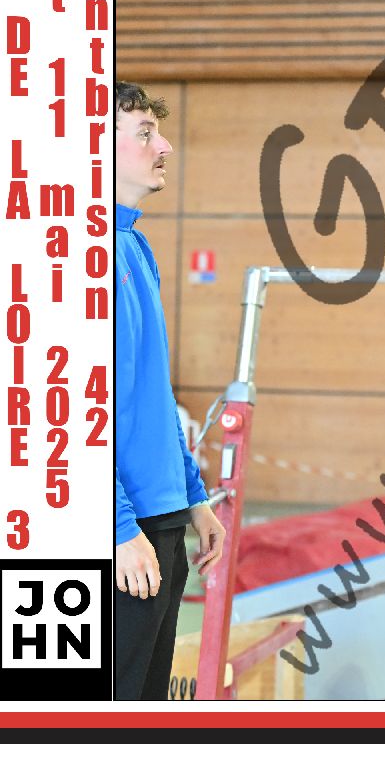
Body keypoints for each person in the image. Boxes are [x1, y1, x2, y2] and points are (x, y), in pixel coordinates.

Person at [115, 81, 225, 699]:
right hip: (122, 532)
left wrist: (193, 497)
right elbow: (68, 418)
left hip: (159, 523)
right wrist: (115, 527)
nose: (166, 146)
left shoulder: (136, 245)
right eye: (145, 134)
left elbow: (155, 399)